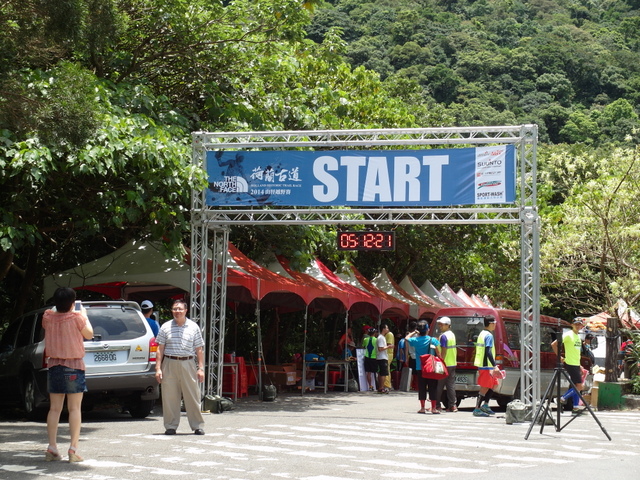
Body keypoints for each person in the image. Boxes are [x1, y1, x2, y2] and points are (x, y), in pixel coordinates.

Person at [43, 287, 94, 463]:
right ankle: (73, 449)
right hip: (74, 366)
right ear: (73, 302)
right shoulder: (78, 317)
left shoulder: (47, 316)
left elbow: (50, 315)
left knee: (54, 408)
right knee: (74, 408)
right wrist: (85, 315)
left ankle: (52, 448)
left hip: (54, 365)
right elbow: (89, 334)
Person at [155, 299, 206, 435]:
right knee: (169, 396)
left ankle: (197, 426)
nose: (177, 311)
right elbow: (160, 349)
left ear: (185, 310)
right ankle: (170, 426)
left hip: (188, 363)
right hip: (170, 363)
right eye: (175, 309)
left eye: (180, 309)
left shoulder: (193, 327)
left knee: (192, 395)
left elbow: (199, 349)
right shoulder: (165, 327)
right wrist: (158, 368)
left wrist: (200, 368)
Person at [406, 320, 442, 414]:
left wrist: (414, 332)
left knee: (421, 388)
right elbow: (438, 353)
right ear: (427, 330)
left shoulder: (416, 340)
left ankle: (422, 408)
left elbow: (406, 338)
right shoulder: (432, 340)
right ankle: (434, 408)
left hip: (420, 368)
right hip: (431, 368)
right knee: (432, 387)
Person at [552, 317, 586, 415]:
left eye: (580, 324)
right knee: (580, 386)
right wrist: (560, 357)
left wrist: (580, 365)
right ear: (572, 325)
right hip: (570, 363)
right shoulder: (568, 335)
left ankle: (575, 408)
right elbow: (554, 344)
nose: (578, 326)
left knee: (575, 385)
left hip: (576, 363)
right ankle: (561, 398)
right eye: (576, 324)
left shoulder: (578, 337)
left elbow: (576, 352)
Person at [473, 315, 501, 417]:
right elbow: (488, 351)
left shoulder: (482, 333)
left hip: (485, 365)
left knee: (494, 384)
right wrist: (495, 365)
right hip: (486, 366)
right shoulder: (488, 335)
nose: (495, 326)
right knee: (484, 387)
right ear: (490, 324)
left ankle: (485, 405)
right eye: (494, 324)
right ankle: (477, 409)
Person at [436, 317, 458, 412]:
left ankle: (436, 405)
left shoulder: (444, 336)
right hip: (452, 363)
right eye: (439, 324)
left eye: (442, 324)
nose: (440, 326)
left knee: (439, 385)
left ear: (448, 325)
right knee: (450, 385)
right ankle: (452, 405)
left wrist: (441, 361)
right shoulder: (452, 335)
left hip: (445, 363)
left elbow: (444, 350)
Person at [377, 324, 394, 393]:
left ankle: (381, 387)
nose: (388, 329)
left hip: (383, 357)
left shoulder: (383, 337)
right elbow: (380, 348)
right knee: (383, 373)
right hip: (382, 357)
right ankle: (381, 387)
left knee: (382, 373)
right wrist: (388, 347)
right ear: (383, 329)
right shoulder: (381, 337)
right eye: (386, 328)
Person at [383, 322, 395, 390]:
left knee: (386, 369)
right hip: (387, 353)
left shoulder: (389, 335)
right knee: (386, 369)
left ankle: (387, 384)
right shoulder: (387, 335)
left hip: (388, 353)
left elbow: (389, 344)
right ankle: (387, 384)